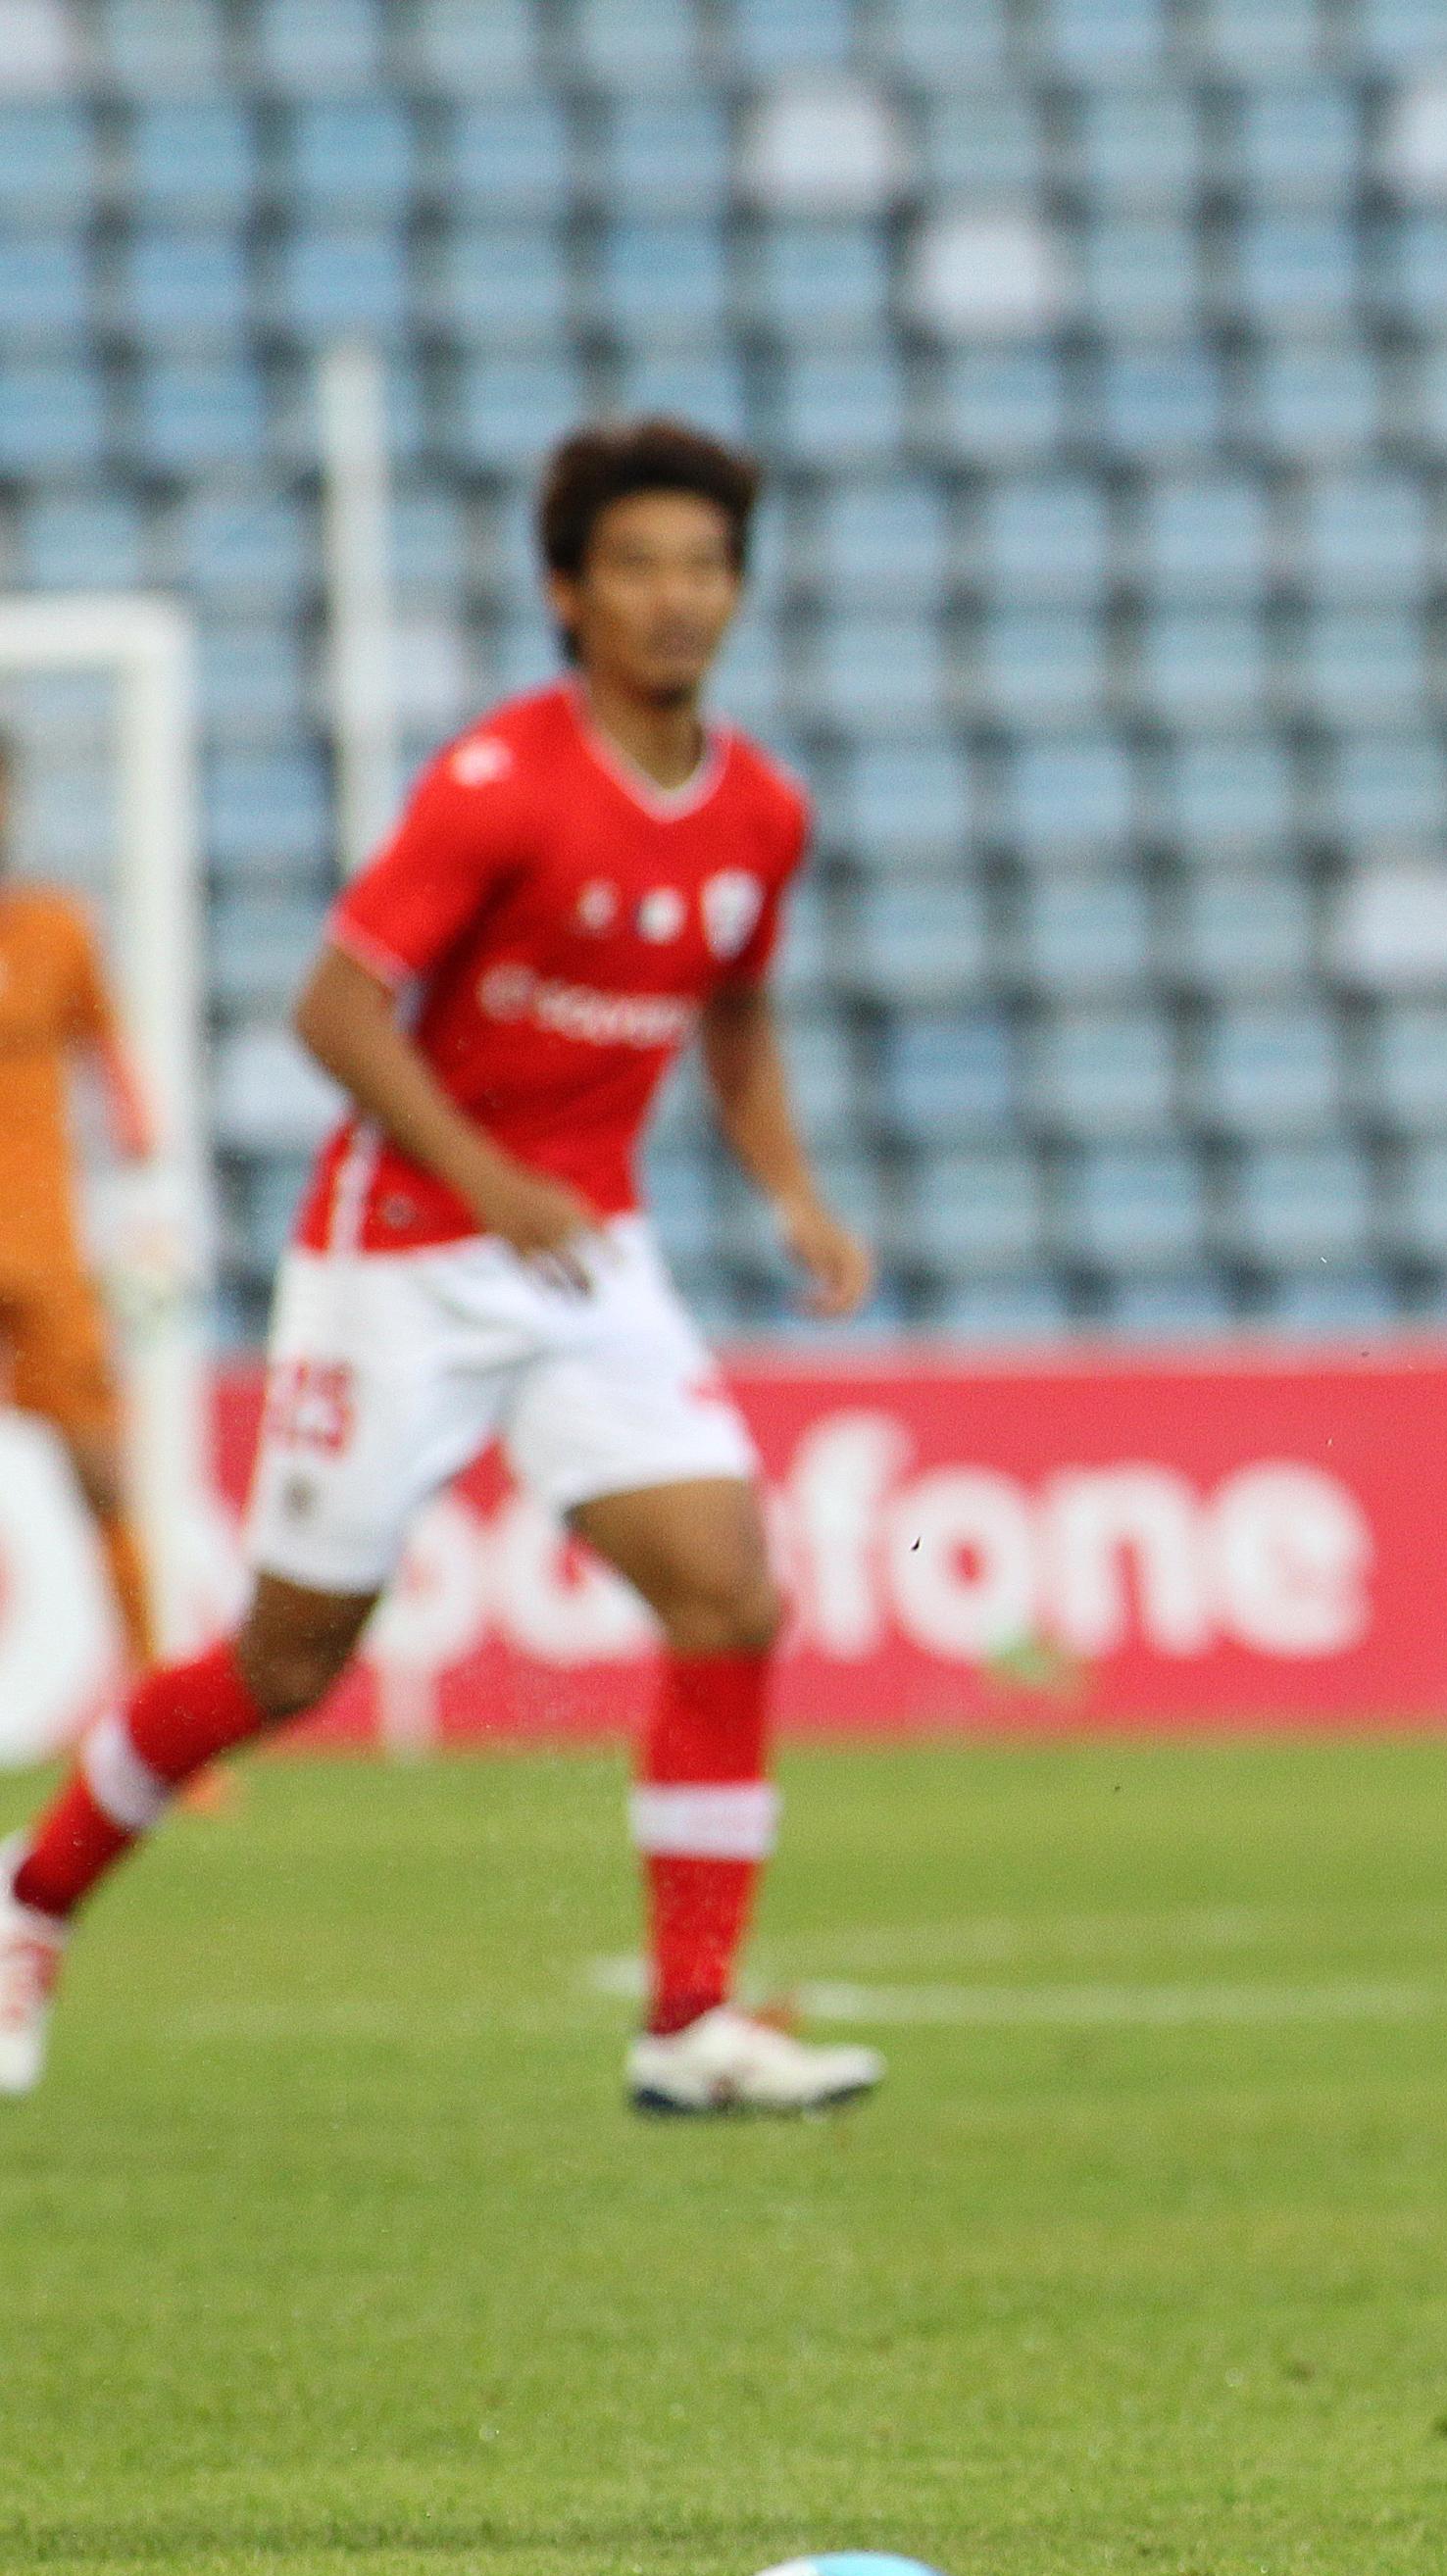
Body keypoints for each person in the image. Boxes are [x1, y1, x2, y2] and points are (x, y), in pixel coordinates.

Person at [0, 419, 882, 2115]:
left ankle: (687, 2021)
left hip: (581, 1260)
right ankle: (29, 1906)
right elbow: (333, 1007)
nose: (675, 598)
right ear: (567, 591)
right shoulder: (501, 786)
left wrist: (790, 1190)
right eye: (637, 566)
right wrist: (488, 1173)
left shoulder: (760, 814)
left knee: (731, 1595)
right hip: (400, 1255)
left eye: (703, 567)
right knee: (285, 1665)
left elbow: (740, 1005)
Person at [0, 737, 164, 1678]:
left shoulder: (57, 929)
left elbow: (116, 1059)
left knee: (102, 1474)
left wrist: (148, 1170)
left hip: (44, 1252)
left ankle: (152, 1714)